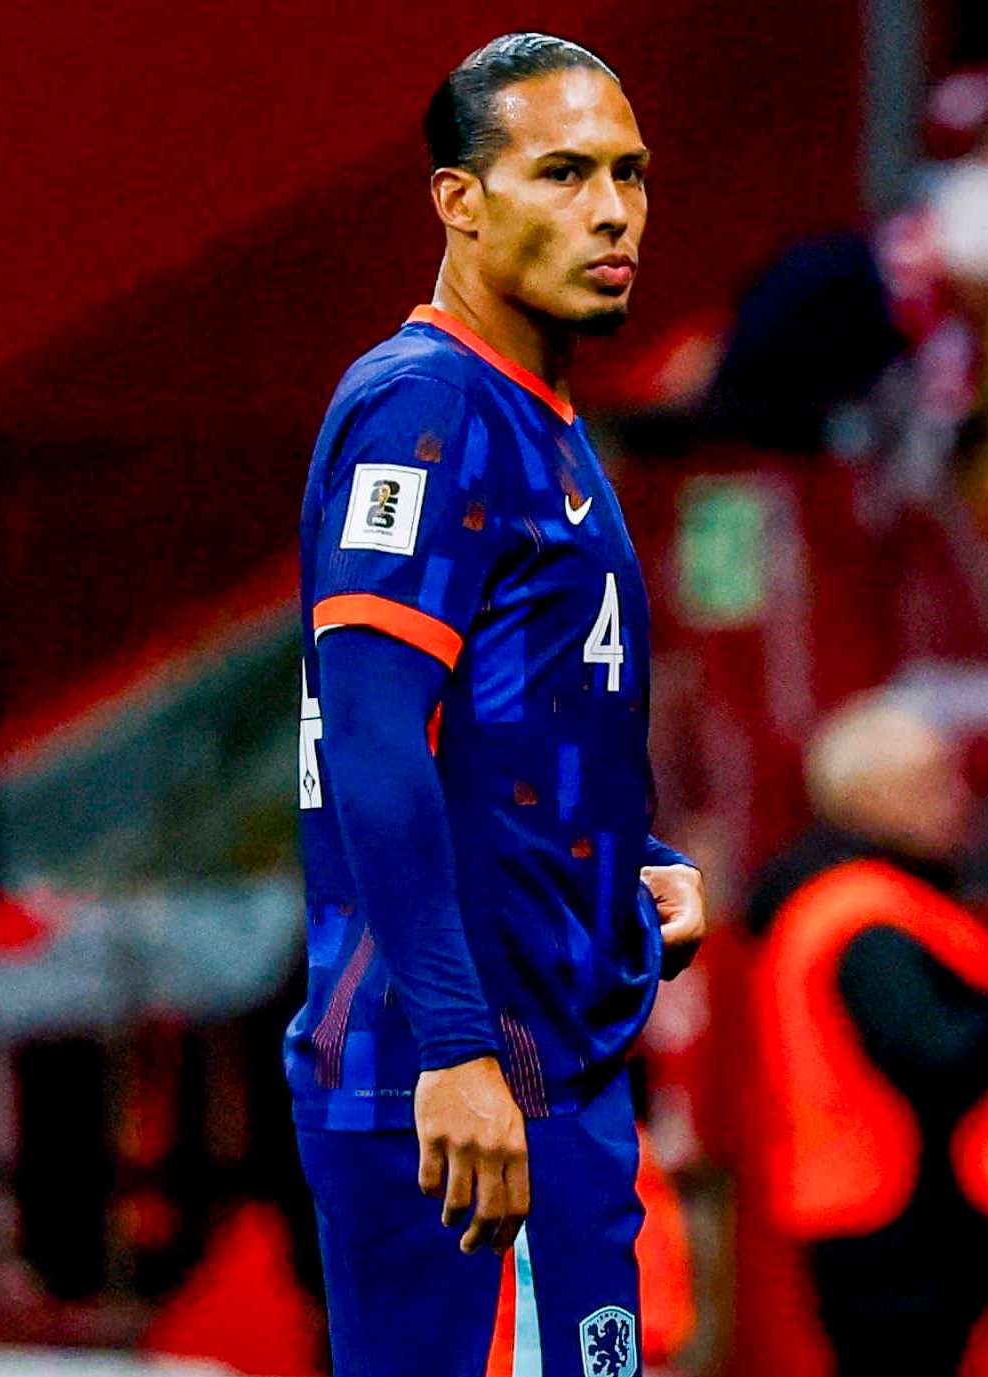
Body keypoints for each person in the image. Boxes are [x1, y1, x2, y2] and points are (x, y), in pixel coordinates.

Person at [288, 34, 705, 1377]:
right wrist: (459, 1051)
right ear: (459, 201)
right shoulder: (425, 412)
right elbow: (371, 738)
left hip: (548, 1067)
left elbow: (502, 731)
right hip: (464, 1084)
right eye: (565, 173)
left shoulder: (540, 419)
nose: (613, 211)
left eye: (630, 174)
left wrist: (629, 864)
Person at [746, 694, 988, 1377]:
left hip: (866, 1212)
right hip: (901, 1225)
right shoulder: (868, 914)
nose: (959, 801)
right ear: (872, 799)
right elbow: (933, 1052)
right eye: (933, 783)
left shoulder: (842, 899)